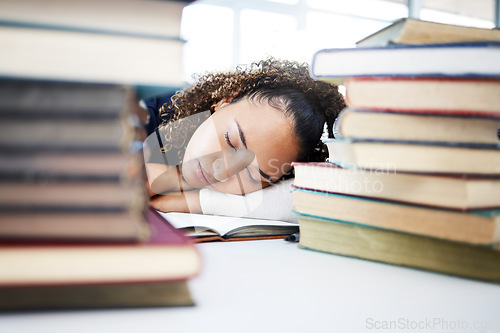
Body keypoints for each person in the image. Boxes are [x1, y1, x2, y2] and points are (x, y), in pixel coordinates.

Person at [140, 58, 345, 218]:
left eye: (253, 176)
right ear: (224, 102)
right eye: (231, 141)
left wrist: (201, 202)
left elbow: (334, 198)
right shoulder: (140, 110)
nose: (222, 172)